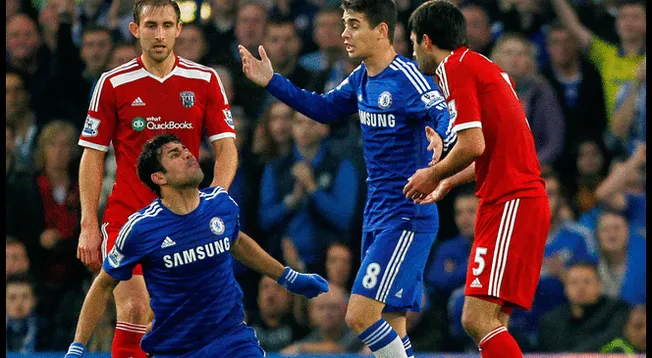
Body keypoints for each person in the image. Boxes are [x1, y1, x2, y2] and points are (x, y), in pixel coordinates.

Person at [240, 0, 453, 355]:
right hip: (378, 214)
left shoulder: (407, 75)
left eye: (354, 24)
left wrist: (440, 137)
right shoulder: (360, 78)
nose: (344, 34)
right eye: (344, 24)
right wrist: (272, 82)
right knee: (391, 320)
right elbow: (323, 109)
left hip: (406, 215)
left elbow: (442, 110)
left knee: (359, 315)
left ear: (382, 31)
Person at [64, 134, 329, 358]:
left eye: (185, 149)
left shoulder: (221, 204)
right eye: (175, 154)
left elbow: (236, 241)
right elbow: (103, 284)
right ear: (159, 177)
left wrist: (288, 276)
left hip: (232, 339)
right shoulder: (140, 228)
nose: (188, 154)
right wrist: (77, 346)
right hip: (176, 348)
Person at [74, 1, 239, 357]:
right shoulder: (113, 83)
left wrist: (217, 197)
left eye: (167, 25)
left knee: (171, 318)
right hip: (127, 215)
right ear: (135, 30)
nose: (159, 34)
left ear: (179, 29)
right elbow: (92, 154)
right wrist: (89, 222)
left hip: (183, 219)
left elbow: (226, 148)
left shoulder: (205, 80)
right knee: (133, 309)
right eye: (151, 25)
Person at [405, 2, 550, 357]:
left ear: (426, 41)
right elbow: (493, 149)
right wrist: (450, 181)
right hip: (512, 199)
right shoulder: (486, 69)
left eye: (411, 43)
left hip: (511, 201)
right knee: (492, 321)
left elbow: (473, 144)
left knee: (476, 318)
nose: (410, 52)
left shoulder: (455, 67)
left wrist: (432, 172)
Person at [537, 261, 630, 352]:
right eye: (574, 282)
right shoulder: (550, 321)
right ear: (565, 287)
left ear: (599, 285)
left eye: (587, 282)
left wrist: (575, 355)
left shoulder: (617, 310)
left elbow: (613, 336)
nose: (580, 288)